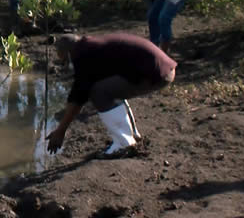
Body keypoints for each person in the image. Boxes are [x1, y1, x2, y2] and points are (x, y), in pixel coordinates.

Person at [46, 33, 176, 158]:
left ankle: (124, 144)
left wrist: (61, 130)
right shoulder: (90, 46)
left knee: (98, 92)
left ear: (69, 53)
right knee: (109, 88)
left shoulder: (83, 55)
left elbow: (79, 97)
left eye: (64, 61)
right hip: (163, 67)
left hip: (157, 73)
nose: (66, 65)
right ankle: (132, 135)